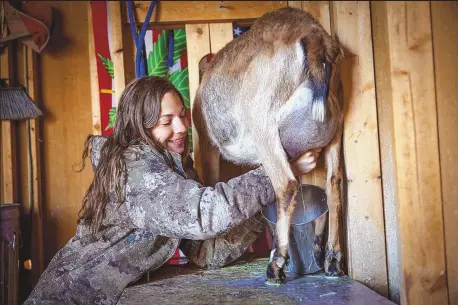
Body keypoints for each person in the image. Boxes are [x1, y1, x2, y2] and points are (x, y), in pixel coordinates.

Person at [24, 76, 321, 304]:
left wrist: (266, 206)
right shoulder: (134, 169)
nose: (181, 127)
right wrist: (280, 172)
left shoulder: (175, 164)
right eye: (167, 121)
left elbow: (205, 252)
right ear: (140, 128)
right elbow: (203, 216)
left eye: (182, 116)